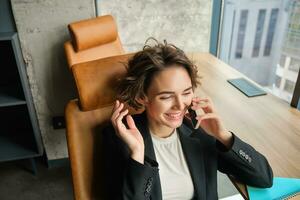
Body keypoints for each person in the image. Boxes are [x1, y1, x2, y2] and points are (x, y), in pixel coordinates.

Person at [101, 39, 273, 200]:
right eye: (166, 97)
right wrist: (137, 155)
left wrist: (222, 135)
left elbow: (264, 178)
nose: (180, 105)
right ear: (141, 97)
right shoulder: (119, 138)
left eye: (186, 93)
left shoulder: (199, 130)